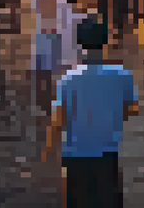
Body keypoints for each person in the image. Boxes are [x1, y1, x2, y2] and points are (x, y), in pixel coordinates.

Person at [46, 17, 139, 208]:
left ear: (79, 43)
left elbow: (58, 121)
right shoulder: (122, 75)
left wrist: (48, 151)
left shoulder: (67, 79)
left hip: (75, 156)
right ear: (105, 41)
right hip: (108, 154)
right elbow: (133, 108)